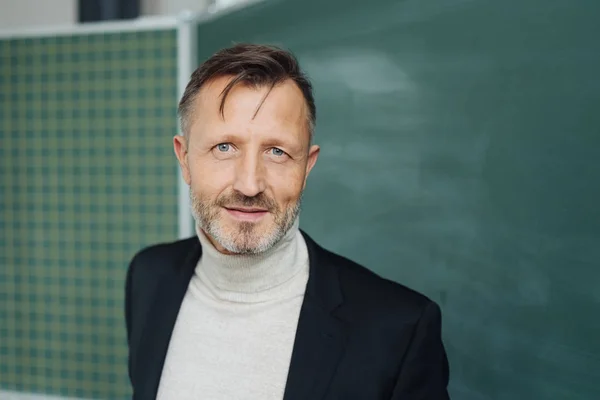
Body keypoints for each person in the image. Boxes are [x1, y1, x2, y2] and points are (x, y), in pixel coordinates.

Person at [125, 43, 450, 400]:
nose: (249, 184)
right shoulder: (149, 278)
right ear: (184, 158)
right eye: (224, 147)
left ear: (306, 167)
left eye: (277, 152)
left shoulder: (399, 329)